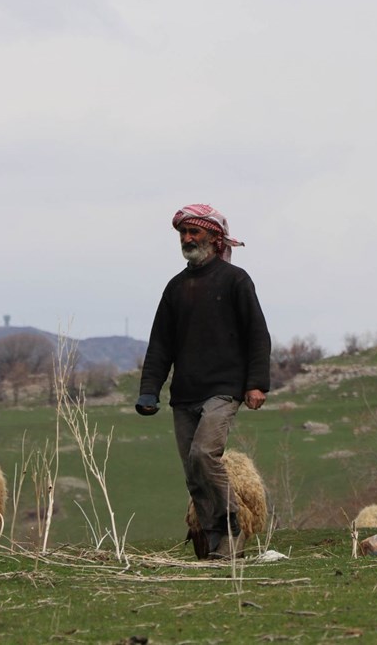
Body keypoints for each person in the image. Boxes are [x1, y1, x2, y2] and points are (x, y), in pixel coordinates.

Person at [136, 204, 271, 560]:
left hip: (224, 389)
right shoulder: (175, 288)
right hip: (184, 395)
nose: (187, 238)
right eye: (183, 233)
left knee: (203, 454)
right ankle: (215, 546)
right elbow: (160, 344)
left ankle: (232, 529)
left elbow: (258, 335)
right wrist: (149, 390)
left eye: (194, 232)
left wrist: (256, 384)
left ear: (214, 237)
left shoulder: (235, 280)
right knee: (193, 474)